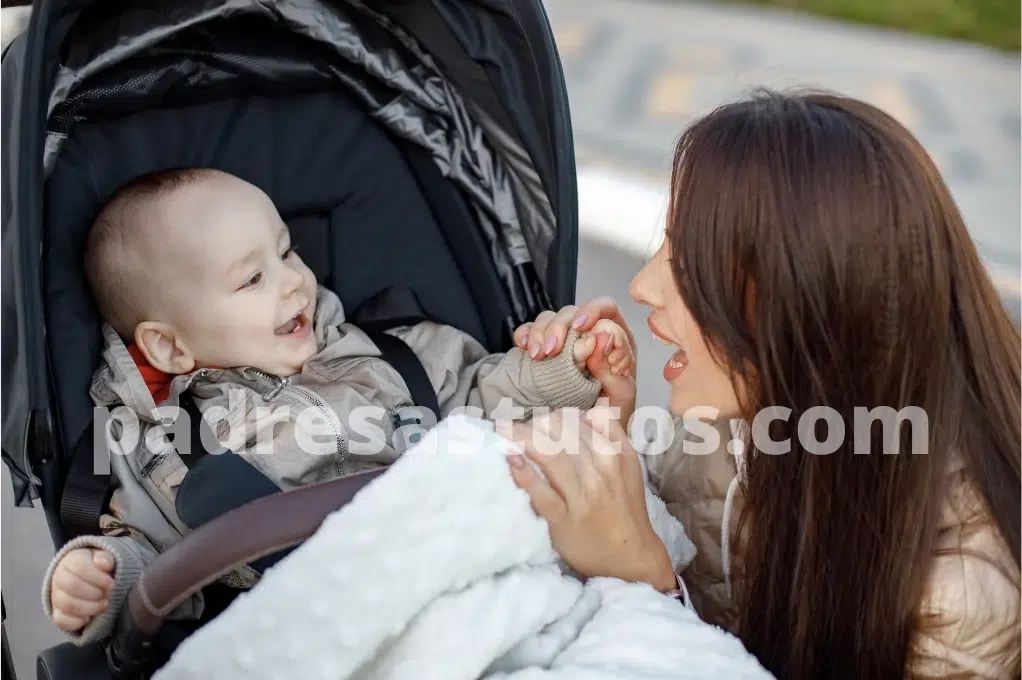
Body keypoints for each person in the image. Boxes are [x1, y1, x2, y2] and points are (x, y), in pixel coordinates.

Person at [505, 90, 1021, 680]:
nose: (643, 286)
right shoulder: (753, 431)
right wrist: (610, 441)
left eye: (688, 262)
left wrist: (646, 590)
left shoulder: (963, 599)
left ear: (810, 305)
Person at [42, 168, 636, 645]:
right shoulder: (169, 451)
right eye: (252, 279)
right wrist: (103, 573)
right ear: (170, 346)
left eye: (287, 251)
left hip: (463, 568)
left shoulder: (391, 356)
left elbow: (482, 394)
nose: (293, 282)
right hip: (320, 629)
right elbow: (151, 551)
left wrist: (565, 369)